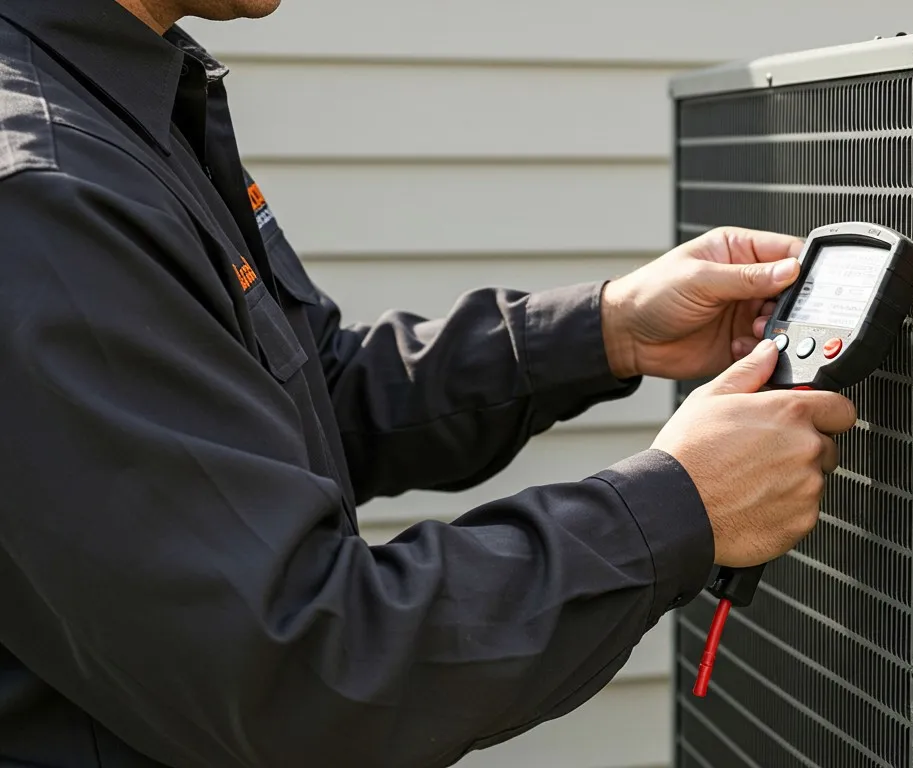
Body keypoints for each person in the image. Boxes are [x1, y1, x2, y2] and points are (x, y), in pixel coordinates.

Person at [0, 1, 856, 766]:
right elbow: (297, 674)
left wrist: (609, 329)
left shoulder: (121, 101)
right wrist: (678, 508)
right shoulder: (48, 196)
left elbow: (308, 400)